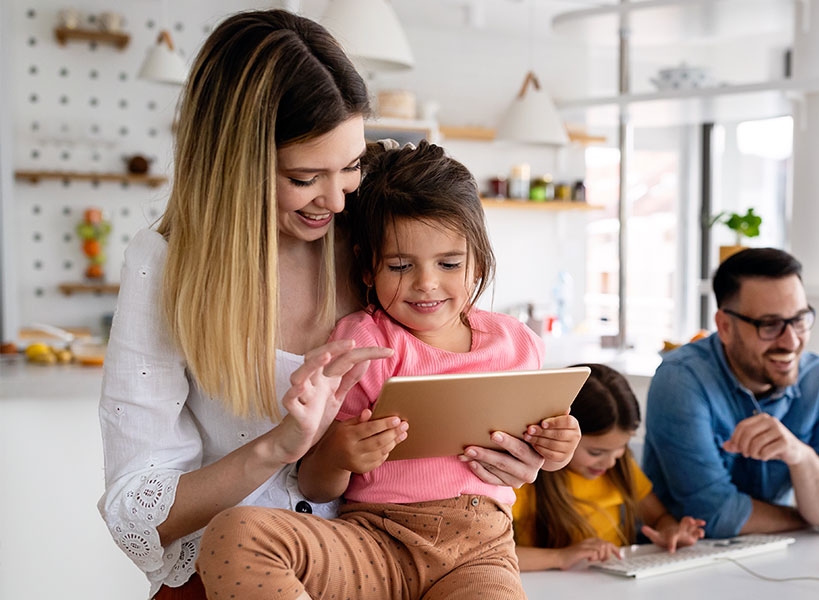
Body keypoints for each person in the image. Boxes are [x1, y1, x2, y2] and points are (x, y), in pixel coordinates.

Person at [98, 12, 550, 600]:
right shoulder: (165, 263)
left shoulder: (374, 230)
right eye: (306, 177)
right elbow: (135, 513)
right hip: (239, 572)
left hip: (391, 558)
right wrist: (278, 448)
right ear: (235, 167)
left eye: (351, 166)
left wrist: (514, 456)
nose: (336, 200)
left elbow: (455, 348)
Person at [195, 140, 581, 599]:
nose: (426, 283)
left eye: (449, 263)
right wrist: (339, 454)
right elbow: (315, 486)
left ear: (477, 262)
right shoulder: (362, 343)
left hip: (480, 550)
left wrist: (558, 447)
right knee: (235, 533)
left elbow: (538, 447)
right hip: (375, 542)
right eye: (399, 266)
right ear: (367, 270)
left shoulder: (516, 343)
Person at [643, 248, 819, 539]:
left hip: (773, 553)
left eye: (799, 320)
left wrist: (800, 455)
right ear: (725, 327)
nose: (791, 341)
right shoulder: (680, 380)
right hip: (680, 556)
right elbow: (714, 515)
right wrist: (808, 517)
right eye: (769, 325)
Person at [513, 363, 705, 571]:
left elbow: (658, 517)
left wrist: (670, 530)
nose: (610, 462)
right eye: (596, 453)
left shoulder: (620, 468)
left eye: (621, 448)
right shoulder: (523, 477)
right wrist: (560, 557)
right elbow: (493, 552)